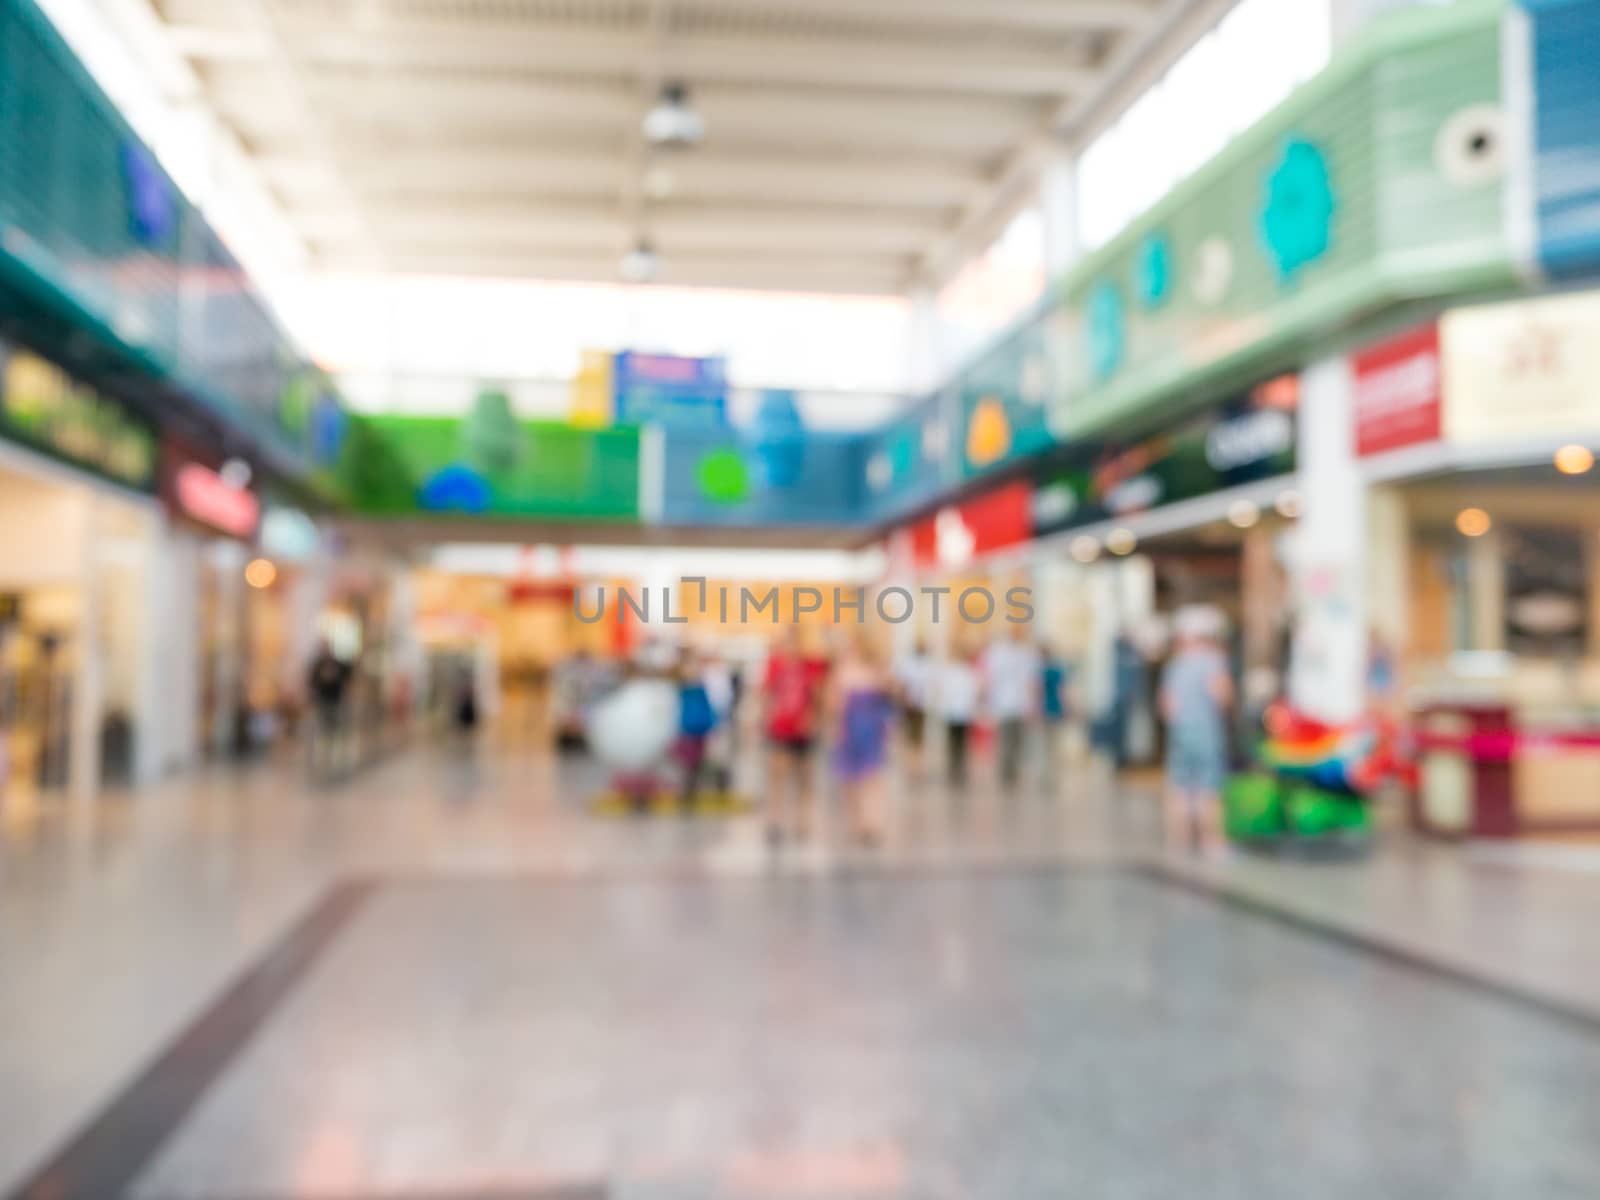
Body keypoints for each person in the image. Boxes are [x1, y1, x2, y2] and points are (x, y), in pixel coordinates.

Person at [1159, 606, 1234, 852]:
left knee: (1180, 787)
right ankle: (1212, 841)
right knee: (1209, 788)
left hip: (1180, 732)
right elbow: (1222, 695)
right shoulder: (1213, 661)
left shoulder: (1176, 665)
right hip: (1206, 731)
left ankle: (1178, 841)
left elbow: (1166, 705)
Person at [762, 627, 827, 842]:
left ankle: (803, 820)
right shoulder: (776, 664)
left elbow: (818, 695)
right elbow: (767, 693)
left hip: (802, 728)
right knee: (777, 775)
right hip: (781, 726)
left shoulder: (811, 666)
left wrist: (813, 718)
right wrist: (766, 718)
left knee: (804, 777)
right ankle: (776, 819)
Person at [830, 633, 894, 846]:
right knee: (851, 779)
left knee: (871, 777)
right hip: (852, 727)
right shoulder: (842, 671)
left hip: (870, 728)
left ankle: (871, 821)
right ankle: (857, 820)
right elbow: (835, 704)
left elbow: (889, 696)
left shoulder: (873, 670)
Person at [982, 626, 1040, 789]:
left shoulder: (1023, 654)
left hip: (1016, 704)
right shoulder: (1005, 654)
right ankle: (1008, 772)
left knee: (1015, 740)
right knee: (1009, 740)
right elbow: (992, 679)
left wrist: (1031, 704)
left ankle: (1011, 771)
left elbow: (1030, 681)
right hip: (1007, 704)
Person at [675, 650, 717, 807]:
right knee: (687, 763)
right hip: (687, 730)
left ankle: (693, 791)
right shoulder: (682, 690)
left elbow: (708, 708)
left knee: (698, 762)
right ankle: (687, 792)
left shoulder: (701, 689)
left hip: (700, 730)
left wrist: (711, 725)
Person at [936, 644, 982, 787]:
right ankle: (958, 766)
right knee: (960, 742)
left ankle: (955, 766)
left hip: (955, 712)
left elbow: (944, 692)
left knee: (954, 741)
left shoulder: (952, 672)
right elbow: (973, 693)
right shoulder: (966, 672)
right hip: (961, 712)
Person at [306, 638, 351, 775]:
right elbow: (311, 682)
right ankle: (322, 755)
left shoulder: (339, 664)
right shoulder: (317, 665)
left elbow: (347, 680)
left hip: (335, 700)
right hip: (322, 701)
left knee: (336, 728)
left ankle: (335, 753)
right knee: (321, 727)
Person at [892, 639, 931, 777]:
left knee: (919, 735)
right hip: (910, 704)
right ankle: (910, 763)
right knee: (910, 734)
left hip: (921, 704)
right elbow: (902, 683)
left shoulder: (927, 665)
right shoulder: (908, 664)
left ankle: (917, 764)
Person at [1039, 642, 1073, 779]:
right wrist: (1068, 707)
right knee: (1054, 743)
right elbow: (1062, 691)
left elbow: (1037, 691)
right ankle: (1052, 773)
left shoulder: (1040, 671)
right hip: (1055, 709)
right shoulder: (1057, 671)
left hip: (1045, 709)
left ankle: (1046, 773)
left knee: (1044, 744)